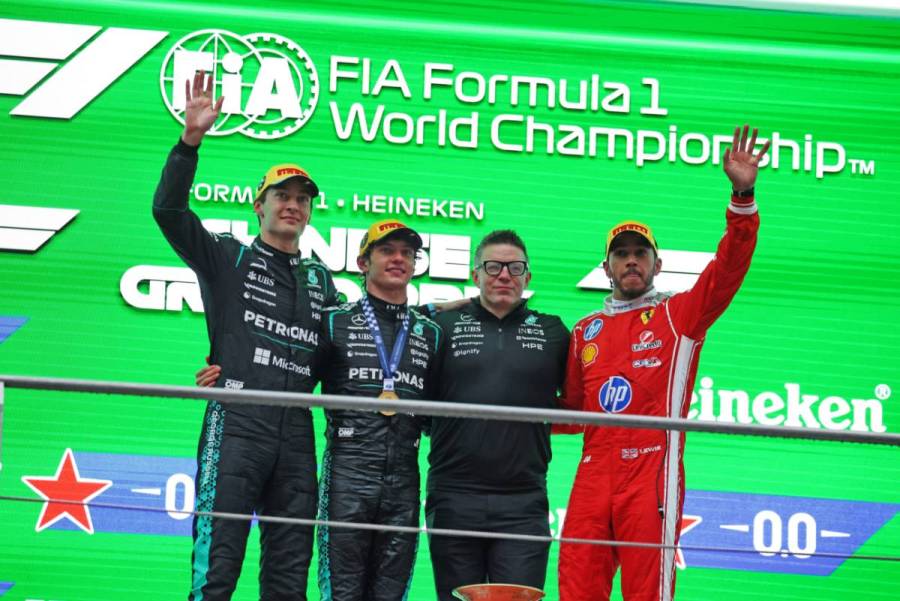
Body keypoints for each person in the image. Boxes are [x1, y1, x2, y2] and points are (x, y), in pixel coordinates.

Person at [558, 125, 771, 601]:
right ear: (606, 267)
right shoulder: (585, 330)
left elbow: (728, 269)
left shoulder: (679, 316)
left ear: (657, 264)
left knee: (647, 592)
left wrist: (742, 198)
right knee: (576, 587)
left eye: (641, 253)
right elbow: (569, 413)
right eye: (621, 254)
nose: (631, 261)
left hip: (650, 473)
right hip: (592, 473)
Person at [153, 71, 339, 601]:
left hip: (297, 432)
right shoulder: (228, 256)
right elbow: (169, 212)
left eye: (302, 199)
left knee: (288, 580)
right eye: (282, 195)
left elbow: (353, 344)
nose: (293, 205)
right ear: (259, 205)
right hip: (236, 422)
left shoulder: (322, 279)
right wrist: (190, 142)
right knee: (217, 571)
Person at [426, 230, 570, 600]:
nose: (504, 275)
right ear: (475, 275)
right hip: (453, 495)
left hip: (523, 501)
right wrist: (433, 308)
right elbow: (389, 324)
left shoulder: (553, 332)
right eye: (493, 267)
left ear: (528, 277)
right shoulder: (442, 327)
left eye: (515, 268)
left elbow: (578, 400)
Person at [316, 219, 443, 601]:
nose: (398, 259)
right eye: (387, 251)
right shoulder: (334, 321)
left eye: (407, 253)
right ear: (363, 262)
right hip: (347, 472)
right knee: (342, 593)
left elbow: (439, 411)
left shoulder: (430, 332)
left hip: (405, 478)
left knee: (392, 593)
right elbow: (291, 374)